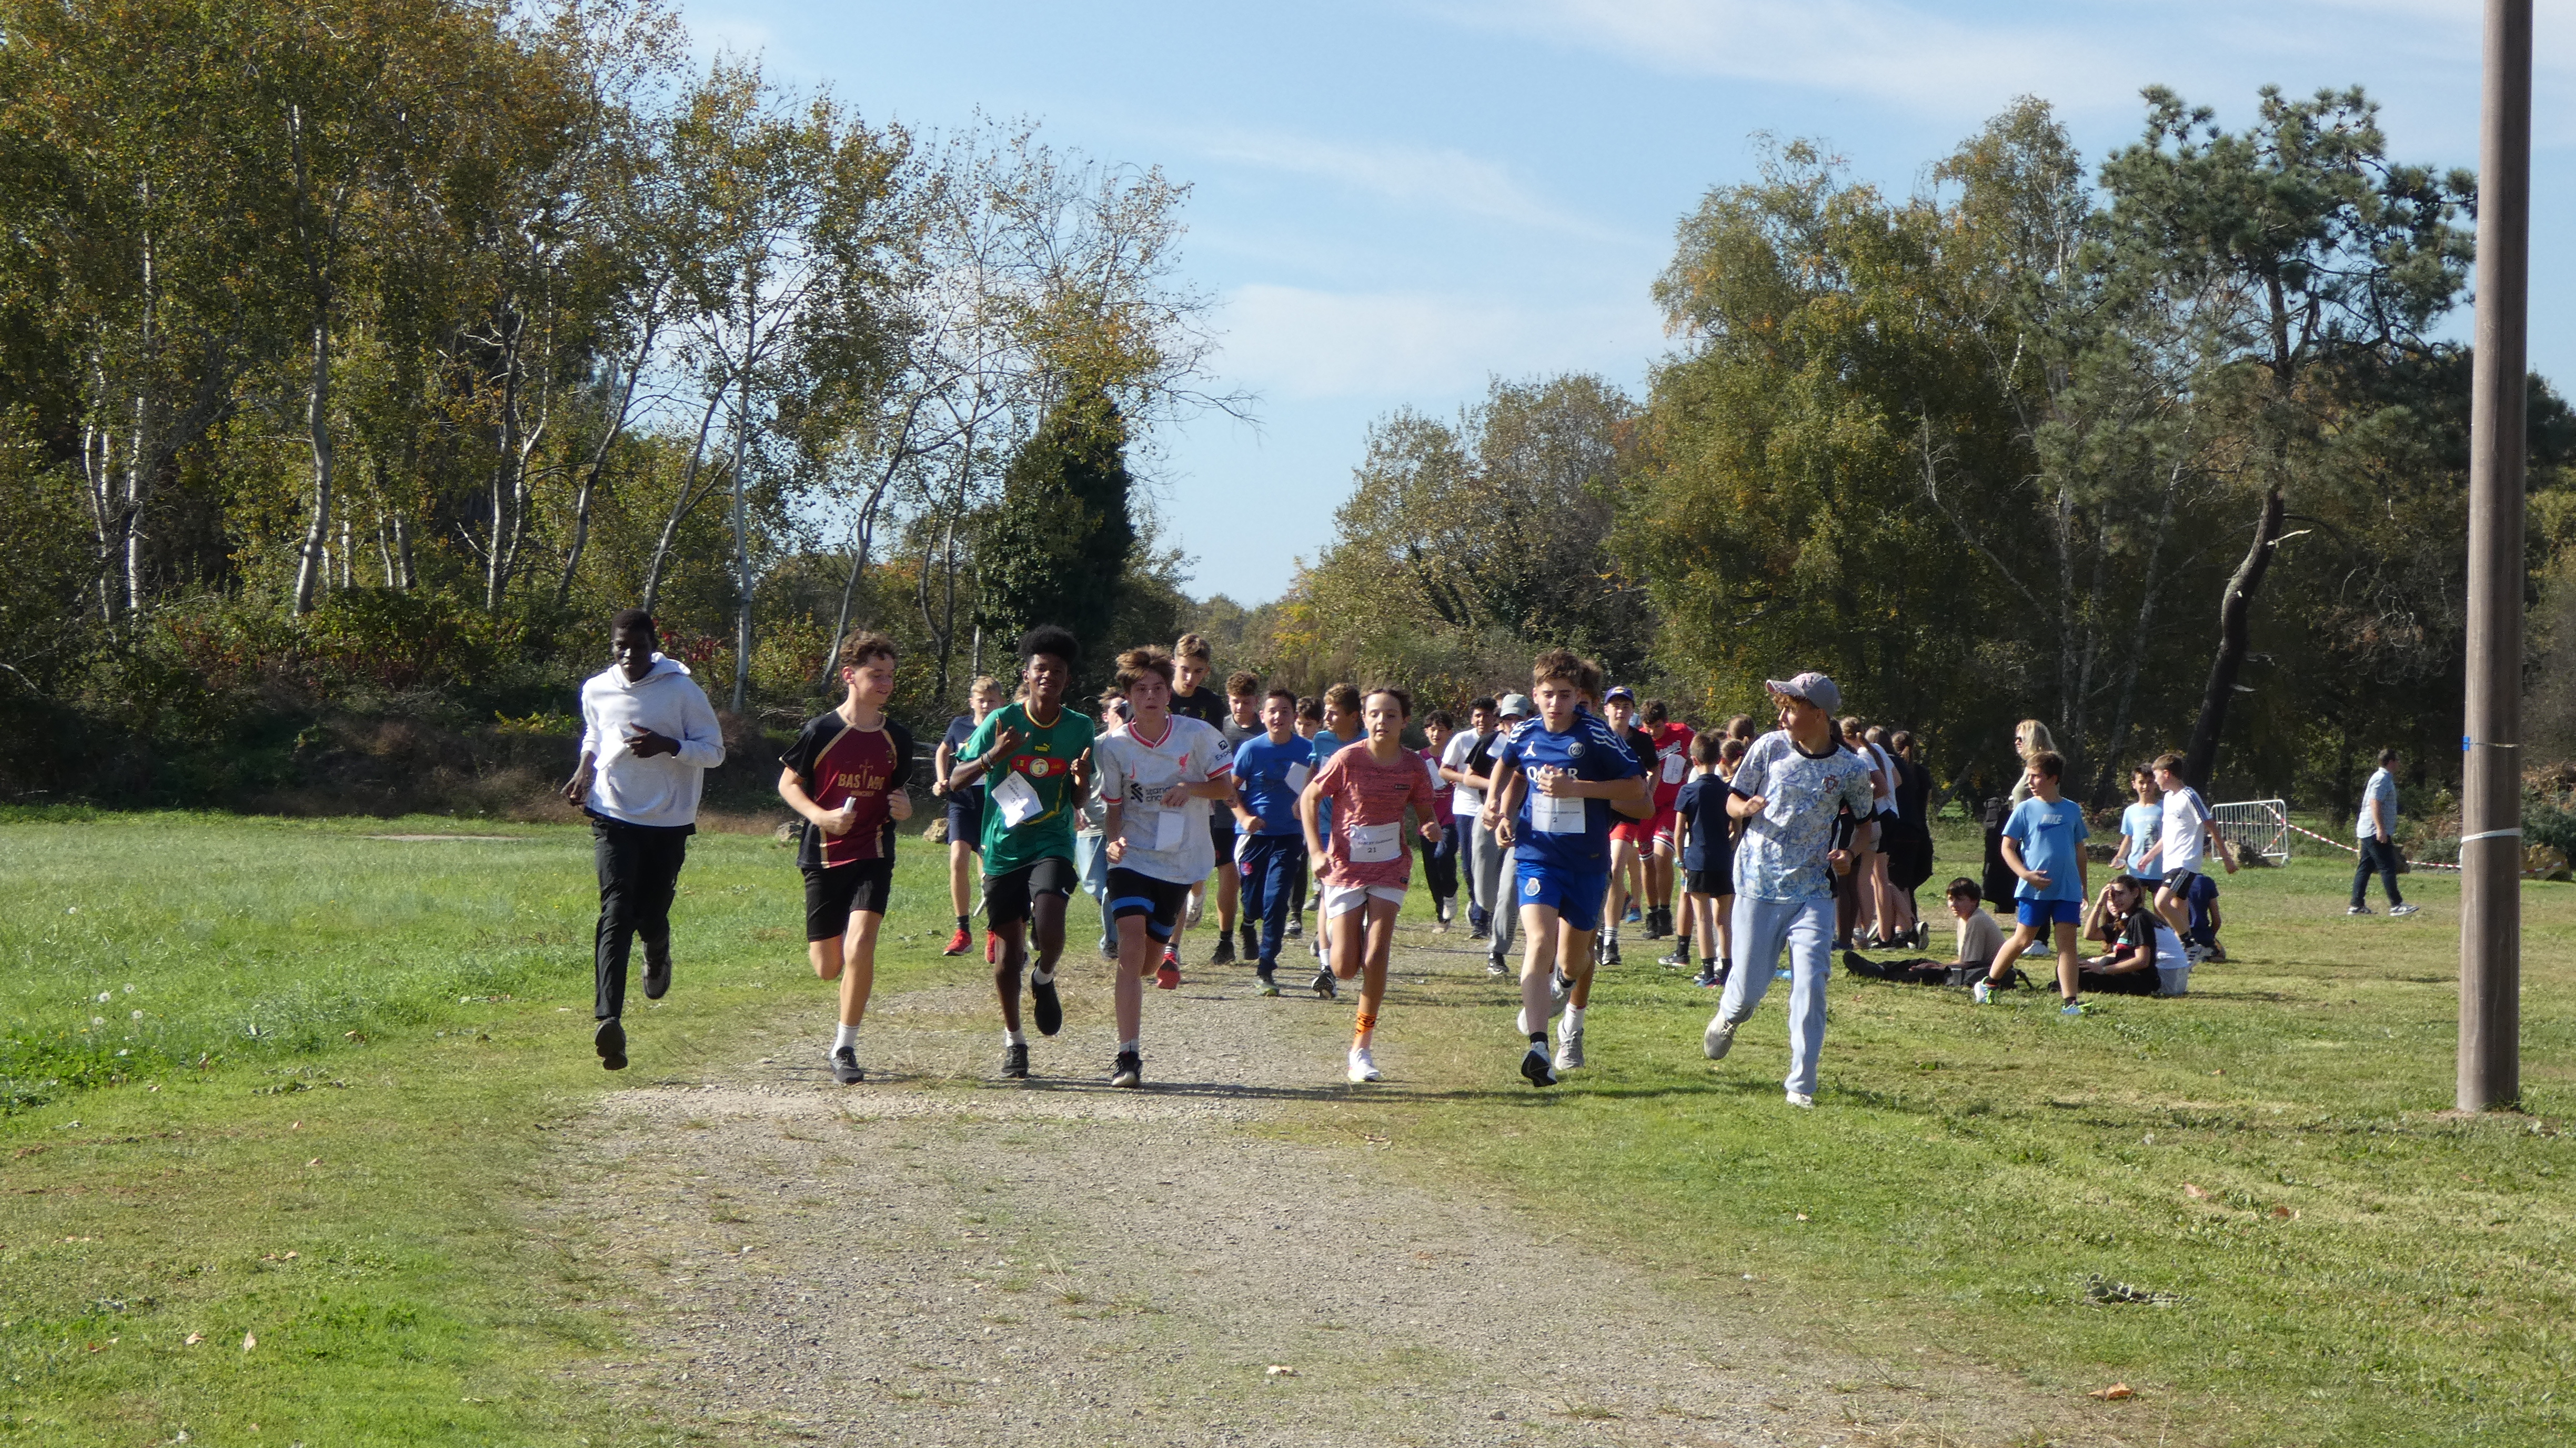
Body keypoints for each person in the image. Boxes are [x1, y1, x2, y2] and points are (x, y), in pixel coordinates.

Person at [1699, 672, 1875, 1108]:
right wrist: (1747, 807)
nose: (1781, 716)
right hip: (1758, 884)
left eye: (1791, 708)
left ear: (1818, 714)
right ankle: (1729, 1014)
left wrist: (1850, 855)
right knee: (1748, 993)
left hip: (1813, 890)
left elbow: (1866, 826)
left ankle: (1801, 1084)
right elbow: (1732, 800)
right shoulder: (1769, 747)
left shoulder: (1851, 769)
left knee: (1812, 982)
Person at [563, 608, 725, 1073]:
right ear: (612, 646)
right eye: (621, 645)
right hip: (612, 812)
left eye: (638, 645)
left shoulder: (682, 691)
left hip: (669, 820)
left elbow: (714, 752)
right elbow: (595, 732)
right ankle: (609, 1019)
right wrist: (582, 771)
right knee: (615, 911)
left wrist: (668, 746)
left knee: (650, 914)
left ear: (653, 644)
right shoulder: (596, 688)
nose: (629, 654)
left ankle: (658, 952)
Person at [1481, 651, 1649, 1086]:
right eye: (1548, 695)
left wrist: (1579, 788)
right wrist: (1499, 809)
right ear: (1535, 696)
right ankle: (1539, 1047)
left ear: (1579, 697)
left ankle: (1563, 984)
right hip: (1538, 855)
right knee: (1538, 940)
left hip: (1589, 864)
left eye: (1565, 695)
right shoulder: (1525, 731)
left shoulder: (1597, 736)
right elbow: (1510, 765)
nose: (1555, 703)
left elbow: (1640, 795)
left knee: (1575, 960)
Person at [948, 626, 1096, 1081]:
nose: (1048, 676)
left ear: (1066, 680)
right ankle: (1015, 1040)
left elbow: (1077, 801)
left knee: (1051, 927)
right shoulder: (1002, 721)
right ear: (1027, 675)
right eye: (1041, 669)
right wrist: (995, 754)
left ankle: (1045, 978)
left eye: (1057, 671)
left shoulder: (1080, 727)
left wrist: (1079, 779)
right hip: (1003, 848)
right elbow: (956, 779)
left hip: (1051, 840)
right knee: (1007, 955)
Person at [777, 630, 917, 1085]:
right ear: (849, 677)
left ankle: (845, 1046)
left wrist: (905, 808)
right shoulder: (822, 730)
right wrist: (821, 816)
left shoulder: (897, 736)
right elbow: (788, 785)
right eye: (875, 675)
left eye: (890, 675)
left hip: (874, 853)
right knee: (827, 967)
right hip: (823, 855)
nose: (885, 683)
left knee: (860, 946)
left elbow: (899, 793)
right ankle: (841, 1023)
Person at [1092, 647, 1234, 1089]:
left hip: (1179, 859)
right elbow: (1113, 805)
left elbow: (1225, 787)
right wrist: (1113, 840)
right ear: (1129, 696)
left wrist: (1189, 787)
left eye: (1158, 688)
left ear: (1168, 694)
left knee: (1150, 962)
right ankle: (1127, 1055)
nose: (1151, 696)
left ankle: (1155, 962)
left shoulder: (1197, 735)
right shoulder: (1111, 746)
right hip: (1132, 857)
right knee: (1130, 946)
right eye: (1141, 689)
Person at [1302, 685, 1443, 1082]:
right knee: (1346, 967)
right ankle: (1347, 936)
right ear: (1364, 719)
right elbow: (1310, 799)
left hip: (1390, 865)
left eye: (1391, 715)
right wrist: (1316, 851)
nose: (1383, 721)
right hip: (1346, 867)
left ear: (1405, 721)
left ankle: (1361, 1048)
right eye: (1375, 714)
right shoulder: (1348, 758)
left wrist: (1429, 825)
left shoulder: (1413, 764)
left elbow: (1424, 808)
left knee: (1377, 955)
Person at [1976, 750, 2091, 1013]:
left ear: (2053, 778)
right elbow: (2007, 847)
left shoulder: (2071, 810)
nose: (2030, 781)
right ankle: (1989, 984)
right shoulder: (2025, 809)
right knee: (2023, 940)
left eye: (2036, 776)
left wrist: (2083, 887)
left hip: (2067, 889)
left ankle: (2070, 1002)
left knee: (2067, 944)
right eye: (2029, 775)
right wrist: (2025, 874)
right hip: (2034, 889)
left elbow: (2080, 851)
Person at [1231, 688, 1315, 995]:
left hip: (1290, 836)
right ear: (1262, 716)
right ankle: (1248, 923)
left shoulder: (1308, 750)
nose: (1278, 717)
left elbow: (1318, 788)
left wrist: (1304, 804)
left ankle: (1266, 967)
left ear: (1294, 716)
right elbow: (1231, 791)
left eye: (1285, 711)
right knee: (1253, 902)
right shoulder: (1251, 750)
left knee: (1277, 899)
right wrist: (1244, 818)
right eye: (1272, 711)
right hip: (1253, 838)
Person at [1169, 634, 1232, 968]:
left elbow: (1214, 750)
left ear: (1206, 672)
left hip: (1194, 792)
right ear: (1172, 665)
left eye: (1197, 671)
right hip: (1156, 792)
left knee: (1185, 869)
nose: (1190, 678)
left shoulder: (1211, 704)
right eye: (1184, 669)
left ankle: (1173, 946)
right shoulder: (1156, 694)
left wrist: (1209, 787)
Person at [933, 676, 1008, 962]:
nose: (987, 705)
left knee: (989, 868)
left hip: (993, 802)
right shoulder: (959, 726)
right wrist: (942, 780)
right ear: (972, 702)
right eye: (981, 700)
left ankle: (993, 931)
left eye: (992, 701)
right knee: (957, 858)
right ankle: (962, 931)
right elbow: (942, 750)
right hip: (962, 800)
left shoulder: (1004, 728)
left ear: (1001, 702)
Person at [2150, 751, 2237, 959]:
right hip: (2170, 862)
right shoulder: (2168, 799)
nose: (2155, 781)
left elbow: (2211, 826)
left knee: (2161, 902)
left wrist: (2227, 858)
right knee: (2178, 905)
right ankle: (2186, 949)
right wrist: (2150, 856)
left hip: (2185, 862)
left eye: (2156, 776)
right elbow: (2169, 834)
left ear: (2167, 774)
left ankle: (2190, 945)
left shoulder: (2189, 796)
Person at [1667, 731, 1736, 989]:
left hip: (1697, 860)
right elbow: (1736, 825)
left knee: (1703, 919)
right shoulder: (1727, 790)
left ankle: (1709, 973)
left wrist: (1680, 860)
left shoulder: (1688, 791)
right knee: (1723, 919)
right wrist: (1731, 843)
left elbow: (1679, 831)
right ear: (1719, 758)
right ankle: (1727, 970)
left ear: (1694, 761)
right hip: (1723, 860)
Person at [1301, 684, 1361, 972]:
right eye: (1326, 712)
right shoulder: (1322, 740)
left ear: (1353, 716)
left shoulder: (1366, 741)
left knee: (1353, 885)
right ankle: (1325, 943)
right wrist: (1303, 798)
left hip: (1357, 827)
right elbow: (1314, 770)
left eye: (1334, 713)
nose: (1327, 718)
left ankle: (1346, 934)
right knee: (1328, 885)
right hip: (1326, 824)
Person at [1597, 687, 1658, 965]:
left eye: (1625, 706)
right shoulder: (1596, 735)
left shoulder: (1642, 741)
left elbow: (1653, 768)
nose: (1620, 710)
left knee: (1615, 867)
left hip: (1627, 813)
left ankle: (1610, 940)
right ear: (1606, 709)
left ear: (1633, 711)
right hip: (1596, 811)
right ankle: (1596, 930)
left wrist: (1648, 795)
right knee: (1599, 873)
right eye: (1615, 705)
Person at [1438, 697, 1498, 939]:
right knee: (1470, 864)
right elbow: (1444, 770)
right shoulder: (1462, 740)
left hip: (1492, 808)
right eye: (1477, 716)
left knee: (1490, 863)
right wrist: (1468, 779)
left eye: (1486, 715)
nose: (1482, 720)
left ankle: (1483, 917)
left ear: (1495, 718)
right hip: (1465, 807)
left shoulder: (1501, 741)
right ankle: (1478, 909)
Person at [1073, 685, 1125, 960]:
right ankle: (1115, 933)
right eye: (1119, 710)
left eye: (1128, 709)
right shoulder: (1092, 745)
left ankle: (1113, 942)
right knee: (1094, 885)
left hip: (1126, 827)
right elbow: (1074, 780)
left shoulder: (1136, 747)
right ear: (1106, 716)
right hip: (1092, 824)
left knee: (1112, 888)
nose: (1124, 715)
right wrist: (1075, 808)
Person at [1218, 670, 1266, 961]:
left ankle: (1249, 925)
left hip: (1257, 818)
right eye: (1235, 701)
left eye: (1246, 702)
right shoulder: (1218, 728)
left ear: (1256, 702)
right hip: (1223, 817)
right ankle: (1225, 941)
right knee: (1229, 877)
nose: (1240, 708)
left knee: (1253, 884)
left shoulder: (1266, 732)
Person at [1642, 699, 1694, 941]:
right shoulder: (1640, 739)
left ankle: (1665, 911)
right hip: (1645, 806)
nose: (1653, 732)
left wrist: (1690, 768)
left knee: (1662, 855)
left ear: (1666, 721)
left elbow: (1701, 748)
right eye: (1648, 726)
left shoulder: (1682, 733)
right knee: (1647, 861)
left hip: (1671, 805)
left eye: (1658, 726)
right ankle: (1652, 915)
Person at [2351, 748, 2419, 917]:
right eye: (2397, 760)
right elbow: (2375, 803)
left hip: (2368, 829)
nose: (2399, 764)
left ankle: (2356, 905)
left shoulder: (2383, 778)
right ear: (2390, 761)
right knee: (2388, 867)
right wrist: (2381, 829)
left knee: (2365, 868)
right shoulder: (2382, 778)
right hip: (2374, 831)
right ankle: (2396, 905)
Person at [1417, 710, 1462, 930]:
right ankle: (1442, 918)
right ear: (1426, 732)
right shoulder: (1419, 758)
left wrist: (1459, 783)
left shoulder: (1456, 757)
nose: (1436, 734)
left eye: (1441, 730)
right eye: (1432, 729)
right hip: (1426, 821)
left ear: (1450, 733)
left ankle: (1451, 891)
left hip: (1451, 818)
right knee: (1431, 869)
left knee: (1444, 855)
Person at [1289, 696, 1324, 936]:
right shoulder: (1289, 745)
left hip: (1324, 814)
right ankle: (1295, 916)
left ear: (1319, 725)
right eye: (1299, 723)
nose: (1303, 729)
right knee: (1298, 861)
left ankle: (1320, 894)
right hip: (1294, 813)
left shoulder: (1323, 747)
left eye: (1308, 724)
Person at [2110, 763, 2165, 888]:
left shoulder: (2165, 807)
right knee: (2136, 905)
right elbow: (2128, 839)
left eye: (2150, 782)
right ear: (2134, 784)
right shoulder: (2130, 811)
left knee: (2160, 906)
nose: (2146, 786)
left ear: (2156, 783)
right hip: (2136, 868)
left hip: (2160, 868)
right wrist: (2120, 858)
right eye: (2141, 782)